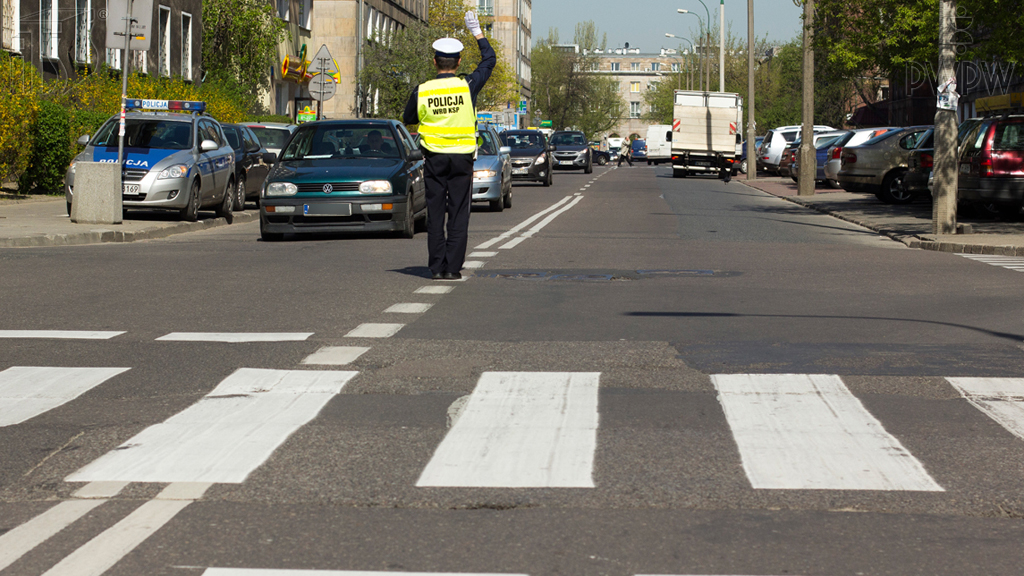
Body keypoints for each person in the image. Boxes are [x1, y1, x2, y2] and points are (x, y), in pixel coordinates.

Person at [403, 12, 495, 281]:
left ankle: (435, 267)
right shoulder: (467, 85)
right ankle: (452, 268)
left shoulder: (423, 90)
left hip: (434, 159)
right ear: (458, 61)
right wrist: (477, 32)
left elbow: (409, 118)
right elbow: (490, 61)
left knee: (435, 213)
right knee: (458, 213)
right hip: (462, 159)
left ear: (434, 62)